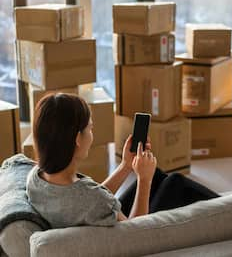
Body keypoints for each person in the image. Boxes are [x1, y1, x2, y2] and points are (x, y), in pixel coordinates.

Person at [26, 93, 219, 229]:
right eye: (90, 129)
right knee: (175, 182)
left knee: (159, 176)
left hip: (98, 216)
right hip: (128, 230)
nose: (92, 135)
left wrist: (126, 165)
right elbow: (135, 232)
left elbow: (87, 198)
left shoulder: (36, 177)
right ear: (77, 139)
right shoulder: (92, 200)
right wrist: (144, 180)